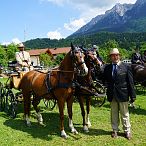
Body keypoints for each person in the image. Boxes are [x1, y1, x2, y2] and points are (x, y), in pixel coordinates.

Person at [103, 48, 136, 140]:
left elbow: (130, 82)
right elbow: (105, 80)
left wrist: (132, 95)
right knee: (113, 113)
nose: (115, 57)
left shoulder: (126, 66)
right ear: (110, 57)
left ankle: (127, 131)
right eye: (113, 55)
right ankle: (115, 130)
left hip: (123, 94)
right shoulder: (107, 68)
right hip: (112, 94)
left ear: (119, 56)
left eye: (116, 55)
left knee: (125, 114)